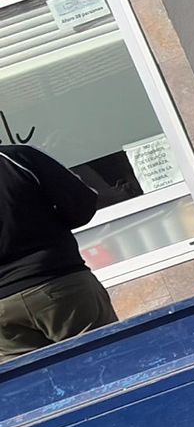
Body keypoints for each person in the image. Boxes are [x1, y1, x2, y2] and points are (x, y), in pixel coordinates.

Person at [0, 145, 118, 361]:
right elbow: (81, 204)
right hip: (59, 284)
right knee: (109, 363)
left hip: (4, 310)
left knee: (35, 385)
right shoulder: (15, 158)